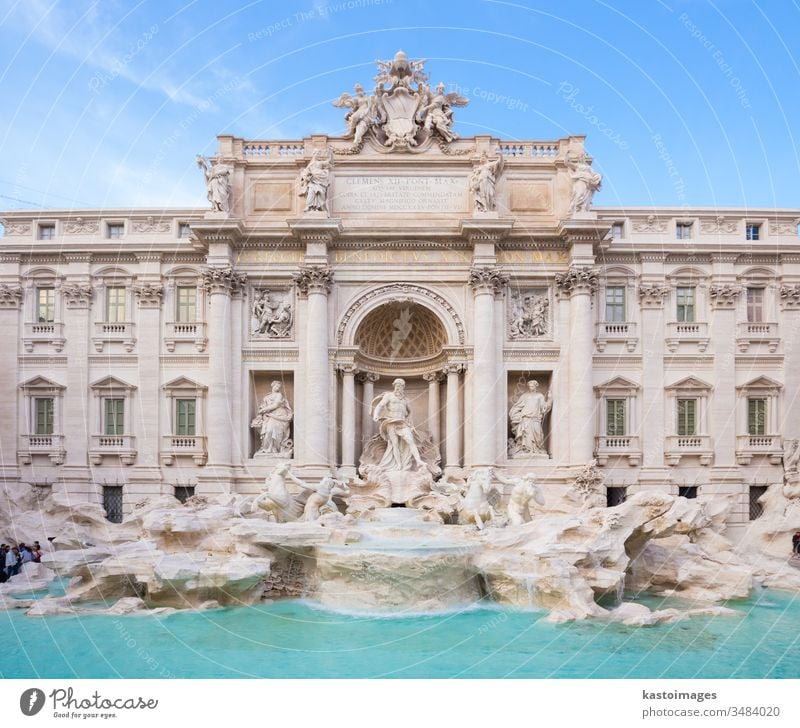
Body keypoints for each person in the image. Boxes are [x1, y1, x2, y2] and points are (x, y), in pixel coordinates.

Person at [371, 378, 427, 472]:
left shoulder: (405, 400)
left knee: (410, 440)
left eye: (400, 386)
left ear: (403, 387)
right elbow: (380, 405)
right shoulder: (389, 396)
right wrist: (376, 414)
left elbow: (410, 411)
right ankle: (399, 465)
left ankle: (418, 461)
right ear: (394, 386)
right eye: (396, 385)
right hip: (391, 421)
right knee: (395, 444)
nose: (398, 387)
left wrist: (409, 420)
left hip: (402, 422)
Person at [509, 380, 553, 455]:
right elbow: (518, 406)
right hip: (525, 419)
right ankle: (526, 450)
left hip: (536, 419)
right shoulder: (525, 396)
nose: (530, 388)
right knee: (526, 435)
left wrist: (549, 399)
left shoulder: (540, 396)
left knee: (538, 434)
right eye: (529, 386)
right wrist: (514, 413)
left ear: (536, 386)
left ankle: (537, 449)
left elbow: (544, 407)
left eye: (532, 386)